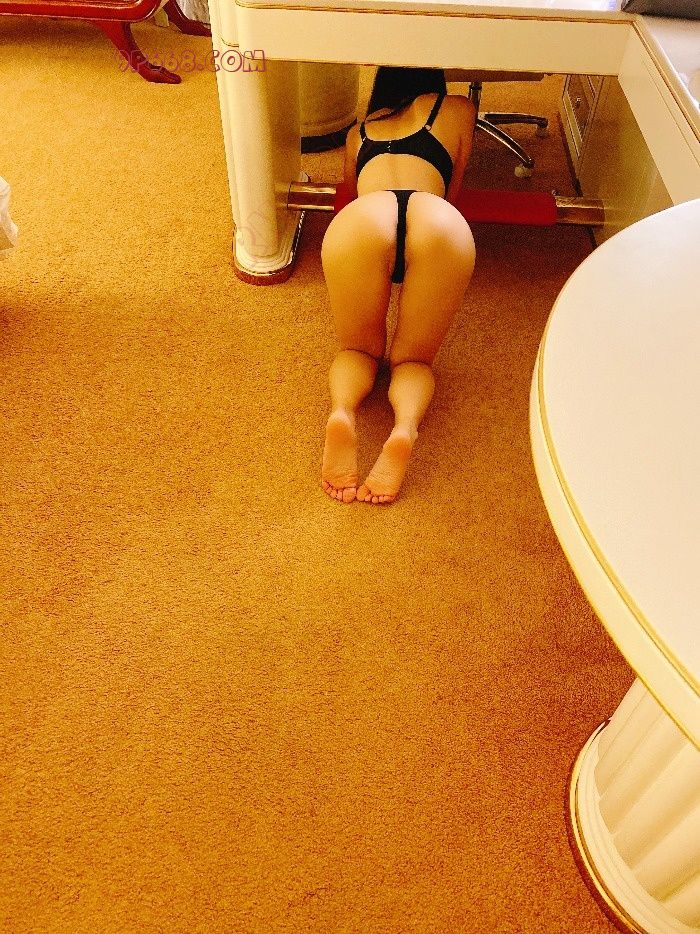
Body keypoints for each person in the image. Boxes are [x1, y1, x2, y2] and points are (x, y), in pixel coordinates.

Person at [320, 66, 477, 505]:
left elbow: (352, 191)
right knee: (413, 359)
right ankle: (404, 429)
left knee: (357, 350)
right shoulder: (458, 108)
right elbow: (454, 186)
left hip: (365, 217)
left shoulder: (357, 133)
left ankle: (342, 412)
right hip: (434, 215)